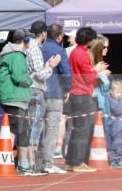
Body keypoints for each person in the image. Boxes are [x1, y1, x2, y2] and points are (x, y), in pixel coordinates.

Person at [0, 29, 43, 176]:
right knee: (16, 131)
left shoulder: (14, 53)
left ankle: (18, 163)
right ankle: (14, 163)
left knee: (20, 131)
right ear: (25, 41)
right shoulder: (16, 55)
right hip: (14, 98)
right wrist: (31, 80)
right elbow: (19, 77)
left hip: (16, 97)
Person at [67, 26, 105, 173]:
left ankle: (72, 161)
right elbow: (88, 77)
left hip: (77, 93)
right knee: (83, 130)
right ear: (89, 40)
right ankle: (78, 162)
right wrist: (97, 69)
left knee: (78, 129)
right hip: (82, 94)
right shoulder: (82, 54)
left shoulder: (75, 52)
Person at [26, 20, 60, 169]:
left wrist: (47, 65)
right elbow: (40, 75)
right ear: (44, 33)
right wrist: (51, 66)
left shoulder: (30, 46)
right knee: (35, 125)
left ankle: (28, 161)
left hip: (32, 89)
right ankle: (31, 162)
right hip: (35, 89)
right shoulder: (35, 48)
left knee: (32, 124)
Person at [39, 24, 71, 174]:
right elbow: (65, 72)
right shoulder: (59, 50)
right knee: (51, 129)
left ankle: (34, 161)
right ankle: (48, 162)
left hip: (38, 91)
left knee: (37, 128)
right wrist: (66, 90)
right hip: (54, 92)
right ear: (59, 36)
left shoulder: (39, 47)